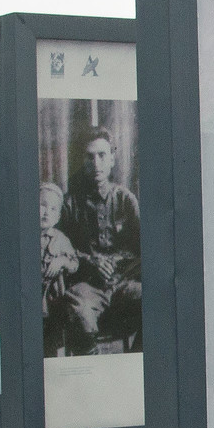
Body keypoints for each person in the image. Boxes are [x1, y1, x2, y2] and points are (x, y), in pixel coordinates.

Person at [58, 127, 141, 353]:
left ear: (112, 159)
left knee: (159, 301)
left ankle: (134, 364)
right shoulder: (70, 204)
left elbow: (144, 247)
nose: (96, 163)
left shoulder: (125, 199)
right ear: (82, 161)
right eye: (89, 156)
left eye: (102, 155)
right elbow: (60, 249)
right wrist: (90, 261)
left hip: (124, 283)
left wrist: (118, 262)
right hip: (88, 286)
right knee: (79, 311)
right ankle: (93, 371)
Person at [38, 182, 79, 356]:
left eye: (53, 209)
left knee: (55, 343)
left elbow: (74, 264)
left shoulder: (61, 239)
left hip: (53, 302)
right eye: (42, 205)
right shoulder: (24, 237)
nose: (47, 212)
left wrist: (62, 261)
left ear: (58, 216)